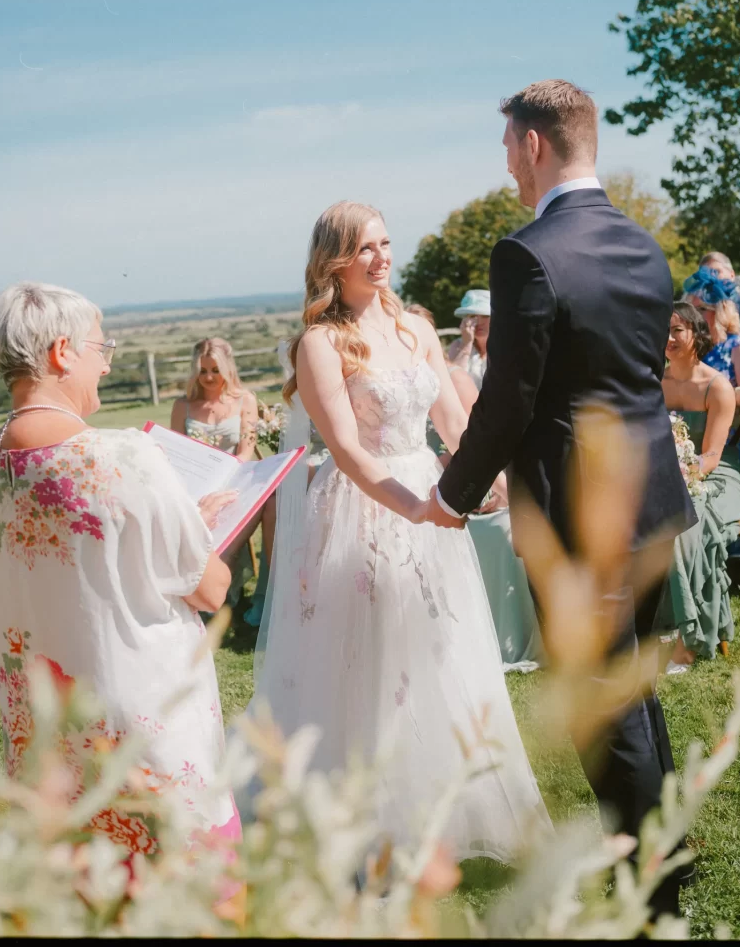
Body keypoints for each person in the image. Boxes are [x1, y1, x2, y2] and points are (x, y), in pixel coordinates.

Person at [425, 79, 696, 919]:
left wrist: (453, 491)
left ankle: (654, 895)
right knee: (631, 690)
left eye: (508, 147)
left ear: (534, 145)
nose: (508, 166)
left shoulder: (528, 253)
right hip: (654, 498)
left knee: (601, 709)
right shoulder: (644, 247)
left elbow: (510, 396)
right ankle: (669, 860)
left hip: (583, 515)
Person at [247, 202, 551, 866]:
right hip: (366, 507)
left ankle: (441, 809)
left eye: (385, 244)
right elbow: (348, 449)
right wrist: (413, 504)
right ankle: (367, 820)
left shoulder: (414, 326)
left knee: (439, 652)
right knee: (368, 663)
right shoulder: (320, 343)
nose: (382, 257)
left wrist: (481, 477)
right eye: (365, 249)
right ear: (334, 261)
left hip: (433, 501)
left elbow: (451, 417)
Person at [0, 282, 242, 863]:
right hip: (139, 732)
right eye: (101, 347)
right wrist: (200, 527)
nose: (106, 364)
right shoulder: (123, 456)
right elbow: (212, 587)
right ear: (62, 352)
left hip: (45, 740)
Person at [406, 304, 542, 672]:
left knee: (496, 532)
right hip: (416, 485)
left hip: (468, 485)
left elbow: (472, 441)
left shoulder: (455, 379)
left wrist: (498, 490)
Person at [656, 303, 740, 669]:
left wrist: (682, 475)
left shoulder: (717, 386)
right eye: (664, 331)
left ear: (696, 334)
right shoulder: (654, 382)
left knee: (685, 529)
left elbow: (710, 454)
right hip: (664, 474)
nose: (669, 338)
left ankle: (687, 638)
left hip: (716, 476)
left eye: (677, 330)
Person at [171, 338, 275, 621]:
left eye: (215, 370)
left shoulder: (245, 400)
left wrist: (224, 479)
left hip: (235, 480)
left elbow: (246, 447)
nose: (207, 377)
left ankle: (228, 589)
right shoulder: (183, 405)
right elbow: (178, 451)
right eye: (202, 371)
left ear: (227, 369)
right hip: (194, 484)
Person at [681, 268, 740, 399]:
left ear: (720, 311)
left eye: (701, 309)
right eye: (690, 309)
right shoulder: (688, 347)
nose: (693, 316)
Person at [446, 290, 491, 389]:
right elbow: (451, 384)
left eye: (485, 316)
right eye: (472, 316)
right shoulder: (457, 345)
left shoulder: (504, 348)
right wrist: (467, 344)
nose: (479, 322)